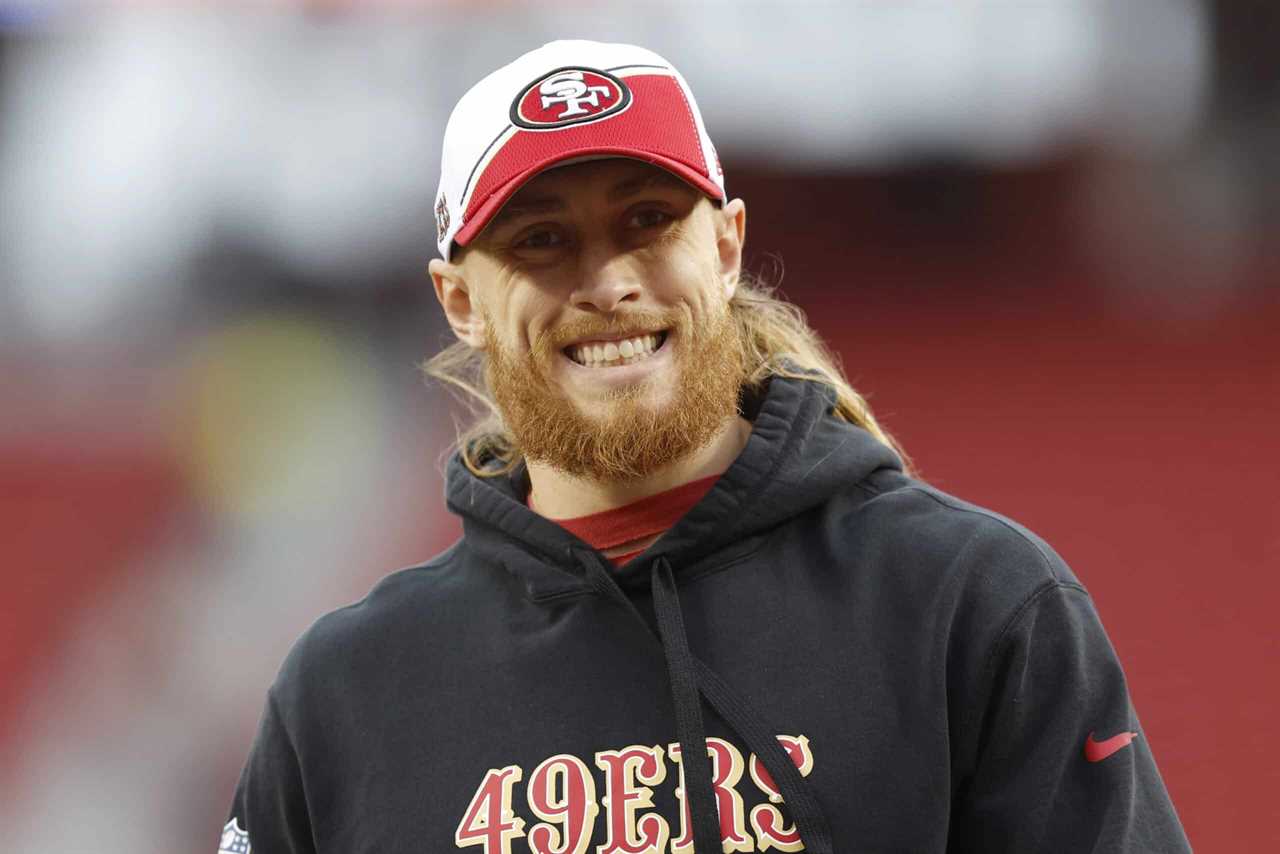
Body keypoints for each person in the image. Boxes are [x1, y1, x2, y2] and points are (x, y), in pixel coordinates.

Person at [221, 40, 1192, 853]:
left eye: (646, 221)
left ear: (724, 248)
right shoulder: (350, 691)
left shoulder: (963, 602)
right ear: (461, 300)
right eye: (542, 239)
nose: (605, 279)